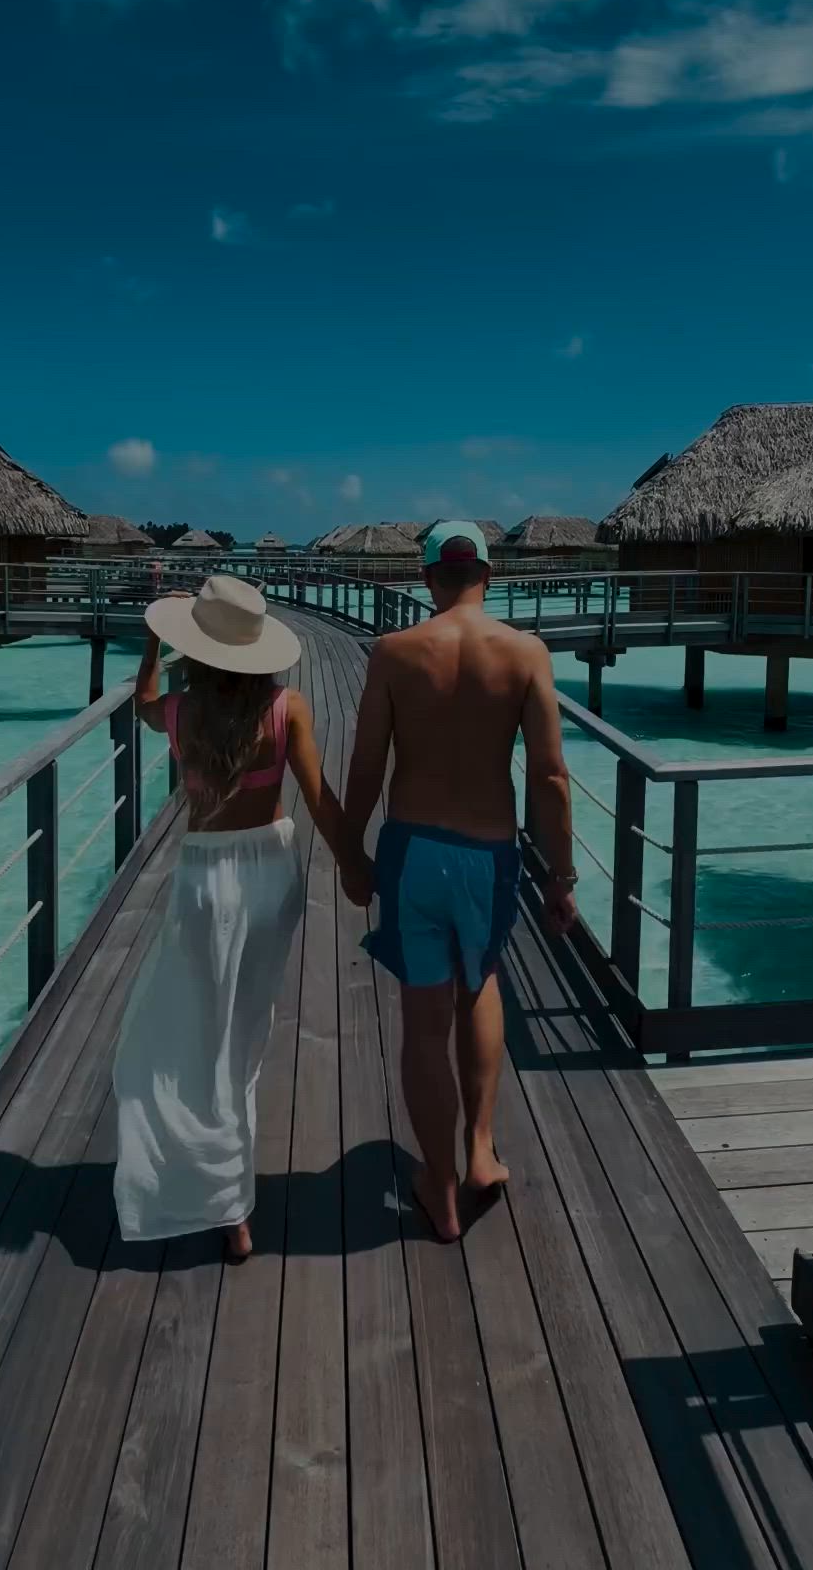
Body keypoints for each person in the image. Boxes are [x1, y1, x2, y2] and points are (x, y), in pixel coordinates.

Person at [113, 574, 372, 1261]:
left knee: (192, 1038)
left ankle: (220, 1201)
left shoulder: (177, 711)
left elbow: (141, 703)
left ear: (194, 648)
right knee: (243, 1041)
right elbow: (319, 798)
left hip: (205, 881)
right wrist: (355, 864)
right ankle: (230, 1199)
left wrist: (151, 648)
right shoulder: (289, 710)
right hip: (270, 883)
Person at [344, 521, 576, 1243]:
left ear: (425, 579)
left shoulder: (393, 653)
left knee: (422, 1018)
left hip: (413, 850)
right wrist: (561, 876)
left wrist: (352, 851)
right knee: (480, 984)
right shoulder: (527, 653)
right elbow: (549, 777)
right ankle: (480, 1152)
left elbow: (367, 765)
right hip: (490, 851)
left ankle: (438, 1187)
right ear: (490, 573)